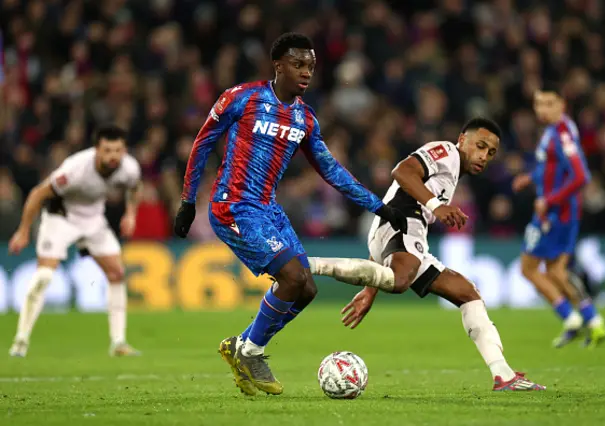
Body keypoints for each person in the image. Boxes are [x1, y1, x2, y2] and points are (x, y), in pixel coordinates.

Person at [172, 33, 407, 396]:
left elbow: (331, 170)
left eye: (311, 66)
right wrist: (188, 201)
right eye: (298, 64)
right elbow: (203, 140)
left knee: (306, 289)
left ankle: (243, 346)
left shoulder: (305, 119)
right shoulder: (242, 98)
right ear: (278, 65)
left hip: (268, 210)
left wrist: (380, 206)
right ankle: (252, 352)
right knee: (294, 276)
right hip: (233, 206)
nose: (306, 72)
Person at [310, 118, 546, 391]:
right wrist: (437, 207)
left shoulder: (454, 171)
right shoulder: (446, 151)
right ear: (462, 139)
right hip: (402, 219)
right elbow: (402, 172)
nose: (484, 156)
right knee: (400, 281)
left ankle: (504, 375)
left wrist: (370, 290)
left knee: (467, 293)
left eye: (491, 152)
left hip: (401, 234)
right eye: (480, 146)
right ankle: (310, 264)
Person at [8, 125, 142, 357]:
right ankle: (21, 340)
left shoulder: (129, 168)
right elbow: (38, 193)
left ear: (125, 150)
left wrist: (130, 214)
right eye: (108, 150)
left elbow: (134, 188)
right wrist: (23, 230)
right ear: (96, 150)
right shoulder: (75, 168)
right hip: (61, 218)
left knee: (117, 273)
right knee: (44, 276)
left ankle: (118, 342)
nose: (113, 156)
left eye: (118, 150)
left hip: (93, 220)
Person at [512, 84, 605, 348]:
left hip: (555, 213)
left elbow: (581, 176)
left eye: (548, 103)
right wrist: (530, 178)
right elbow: (550, 167)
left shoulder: (563, 133)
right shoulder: (555, 130)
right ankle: (594, 322)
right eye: (538, 103)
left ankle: (570, 318)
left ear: (561, 105)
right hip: (562, 213)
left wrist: (549, 200)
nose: (541, 109)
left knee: (528, 268)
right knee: (557, 271)